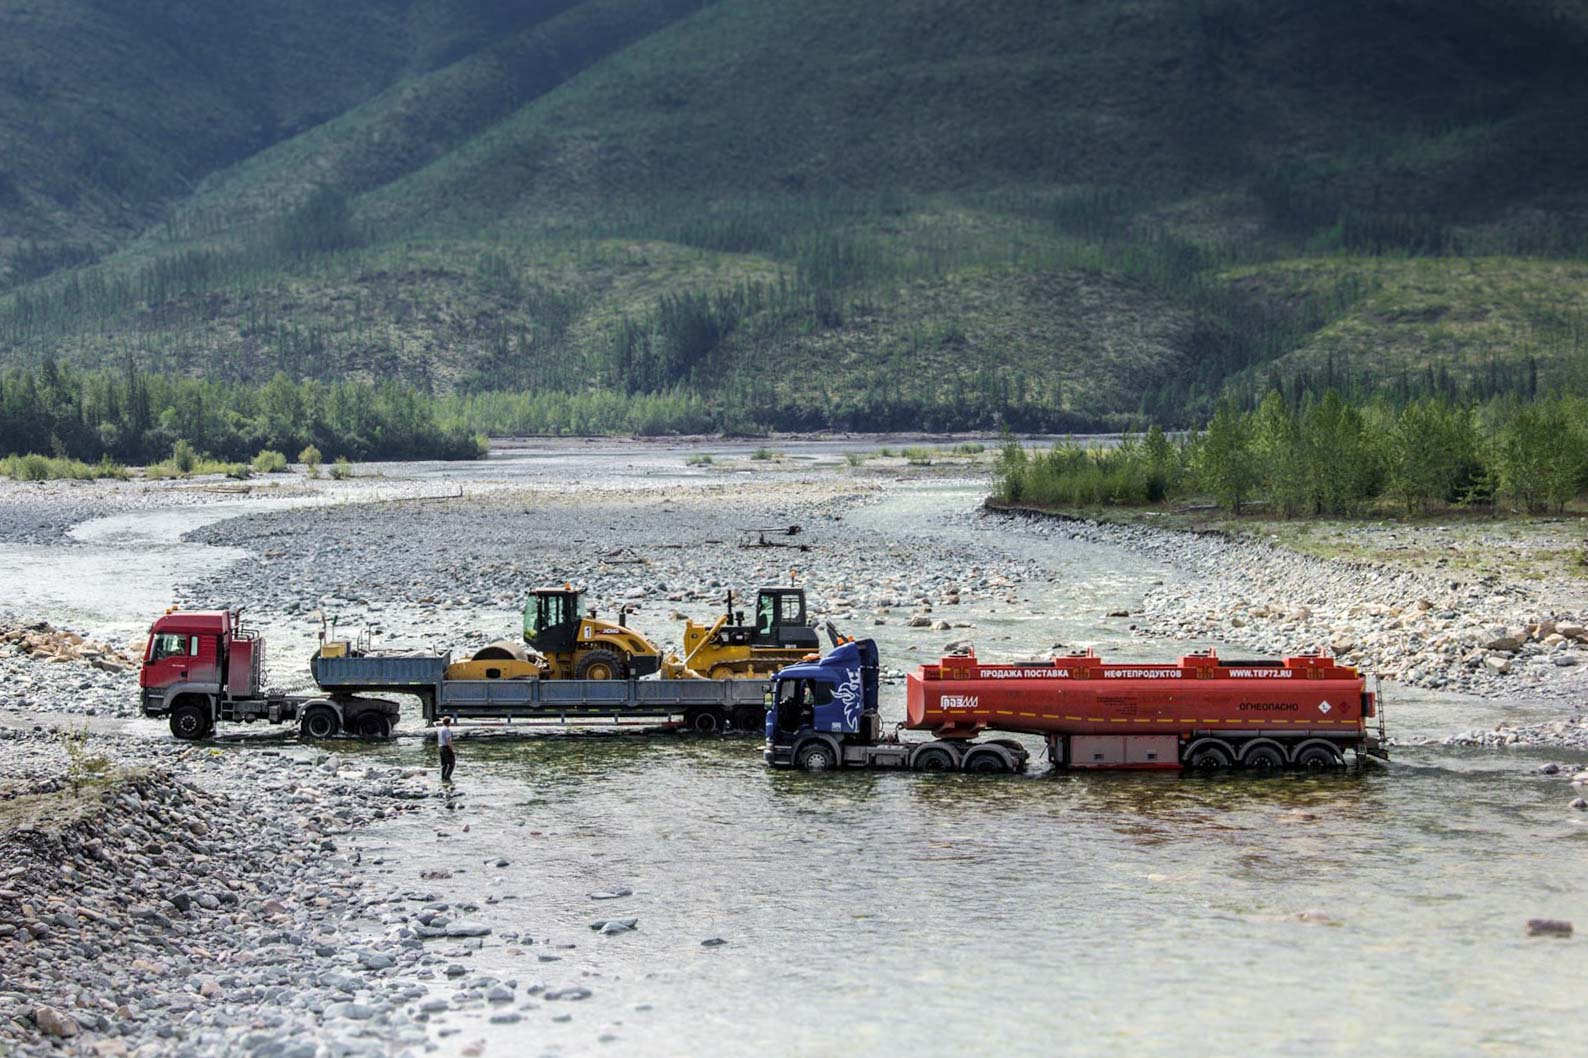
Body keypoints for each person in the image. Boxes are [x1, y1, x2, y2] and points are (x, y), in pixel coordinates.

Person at [437, 716, 456, 783]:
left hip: (440, 747)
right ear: (448, 722)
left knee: (444, 764)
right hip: (446, 747)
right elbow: (448, 740)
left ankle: (443, 777)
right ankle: (447, 777)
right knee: (451, 763)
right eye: (450, 722)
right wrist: (452, 748)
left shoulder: (440, 729)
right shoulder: (447, 729)